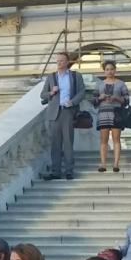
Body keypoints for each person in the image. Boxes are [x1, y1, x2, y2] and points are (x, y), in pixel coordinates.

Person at [41, 52, 86, 181]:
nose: (59, 63)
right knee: (55, 144)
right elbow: (43, 95)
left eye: (62, 61)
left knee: (67, 143)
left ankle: (69, 171)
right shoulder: (51, 77)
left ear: (67, 62)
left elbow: (82, 91)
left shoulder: (75, 76)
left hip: (68, 111)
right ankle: (55, 171)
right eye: (58, 61)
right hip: (54, 112)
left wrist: (73, 102)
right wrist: (51, 92)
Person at [96, 60, 130, 172]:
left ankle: (116, 164)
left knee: (116, 139)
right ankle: (103, 164)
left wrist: (117, 98)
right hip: (103, 112)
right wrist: (100, 98)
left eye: (111, 69)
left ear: (115, 70)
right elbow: (93, 101)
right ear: (104, 71)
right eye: (107, 69)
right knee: (103, 140)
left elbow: (126, 100)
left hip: (117, 113)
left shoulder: (121, 83)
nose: (109, 71)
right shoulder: (100, 84)